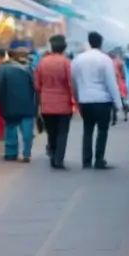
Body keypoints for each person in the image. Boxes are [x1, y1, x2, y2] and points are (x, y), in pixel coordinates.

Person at [70, 31, 122, 169]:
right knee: (102, 130)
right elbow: (111, 82)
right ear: (100, 43)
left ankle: (86, 160)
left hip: (85, 99)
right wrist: (118, 103)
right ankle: (99, 159)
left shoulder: (78, 59)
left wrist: (76, 98)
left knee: (87, 130)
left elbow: (74, 81)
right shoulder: (105, 59)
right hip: (102, 100)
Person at [35, 34, 75, 169]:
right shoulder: (66, 62)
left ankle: (52, 152)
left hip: (47, 103)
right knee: (62, 132)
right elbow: (71, 84)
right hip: (64, 103)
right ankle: (58, 158)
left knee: (51, 131)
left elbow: (37, 84)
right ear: (64, 48)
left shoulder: (42, 62)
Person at [0, 46, 37, 163]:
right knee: (27, 131)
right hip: (27, 105)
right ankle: (26, 153)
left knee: (10, 128)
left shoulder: (2, 69)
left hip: (9, 105)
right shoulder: (30, 69)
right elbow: (36, 87)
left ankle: (11, 153)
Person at [111, 49, 129, 125]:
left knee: (113, 101)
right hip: (120, 83)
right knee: (122, 99)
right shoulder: (120, 62)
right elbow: (123, 74)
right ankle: (125, 114)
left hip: (113, 83)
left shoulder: (108, 62)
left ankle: (114, 118)